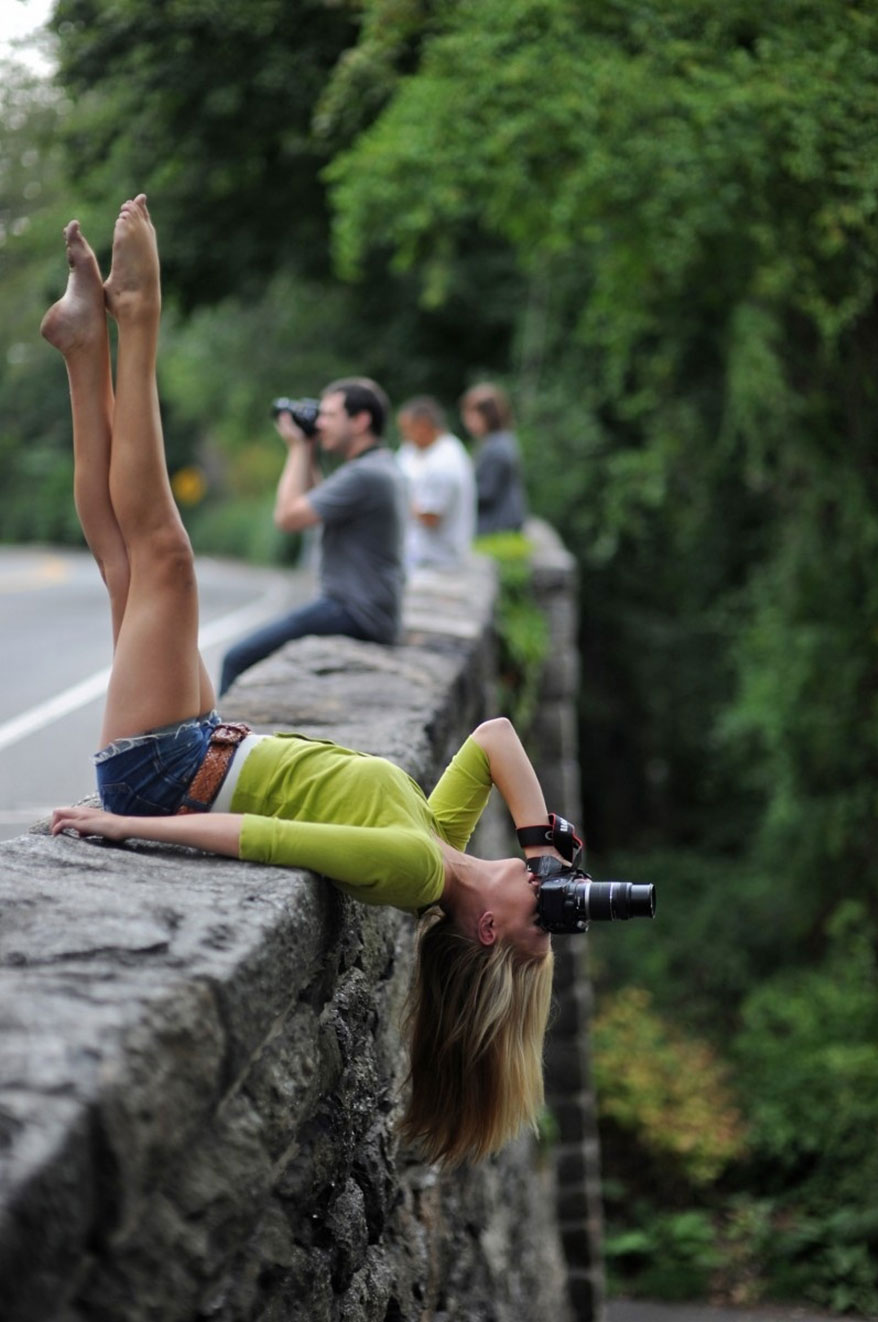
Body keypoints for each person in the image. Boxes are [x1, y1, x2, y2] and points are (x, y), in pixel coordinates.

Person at [41, 196, 570, 1167]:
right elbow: (494, 732)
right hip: (198, 741)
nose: (546, 890)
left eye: (540, 914)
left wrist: (123, 826)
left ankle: (137, 319)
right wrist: (541, 839)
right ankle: (82, 347)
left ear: (490, 927)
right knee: (125, 559)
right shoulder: (438, 842)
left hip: (166, 770)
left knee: (165, 555)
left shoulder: (413, 873)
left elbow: (263, 836)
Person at [218, 375, 406, 695]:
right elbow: (318, 505)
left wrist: (295, 448)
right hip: (370, 608)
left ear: (360, 421)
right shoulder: (379, 466)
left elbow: (288, 517)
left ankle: (222, 745)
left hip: (354, 611)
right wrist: (307, 449)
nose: (321, 423)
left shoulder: (365, 475)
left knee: (237, 659)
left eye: (330, 415)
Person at [396, 396, 476, 569]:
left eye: (407, 429)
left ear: (424, 426)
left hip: (435, 560)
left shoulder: (443, 464)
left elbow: (430, 517)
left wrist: (397, 496)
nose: (404, 436)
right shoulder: (420, 448)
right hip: (420, 553)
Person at [459, 382, 528, 536]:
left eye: (469, 414)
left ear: (485, 415)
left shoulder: (496, 447)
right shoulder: (498, 441)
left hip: (498, 527)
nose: (466, 420)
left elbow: (486, 492)